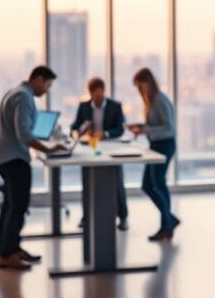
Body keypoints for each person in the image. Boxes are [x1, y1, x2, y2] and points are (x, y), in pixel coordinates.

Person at [0, 66, 66, 270]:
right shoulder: (24, 97)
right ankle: (6, 255)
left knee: (10, 206)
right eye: (47, 85)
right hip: (14, 158)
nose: (47, 90)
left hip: (5, 156)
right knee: (18, 207)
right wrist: (47, 149)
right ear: (38, 79)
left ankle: (10, 250)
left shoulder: (15, 92)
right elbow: (23, 133)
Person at [127, 68, 180, 241]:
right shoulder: (151, 101)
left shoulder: (160, 100)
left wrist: (145, 130)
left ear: (147, 83)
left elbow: (169, 128)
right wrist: (141, 127)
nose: (139, 91)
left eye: (140, 86)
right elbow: (155, 124)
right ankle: (169, 219)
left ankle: (167, 225)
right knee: (148, 185)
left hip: (164, 145)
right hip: (156, 145)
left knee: (158, 183)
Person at [71, 76, 128, 231]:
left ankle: (122, 217)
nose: (96, 97)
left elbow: (120, 129)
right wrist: (81, 131)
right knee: (87, 182)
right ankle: (87, 216)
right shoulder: (84, 106)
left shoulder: (115, 106)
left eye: (98, 94)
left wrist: (106, 134)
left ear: (103, 91)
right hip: (90, 148)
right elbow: (74, 127)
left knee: (117, 182)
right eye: (93, 94)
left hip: (111, 148)